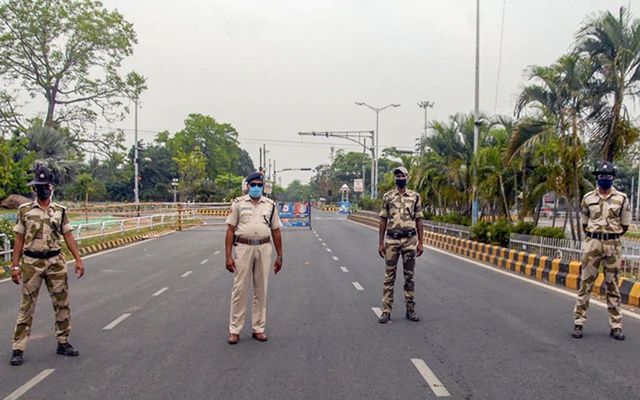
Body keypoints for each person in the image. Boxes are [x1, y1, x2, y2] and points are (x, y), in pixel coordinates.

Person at [9, 165, 85, 366]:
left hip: (55, 262)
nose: (41, 190)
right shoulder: (25, 211)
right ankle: (18, 348)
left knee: (62, 303)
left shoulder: (60, 211)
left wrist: (77, 259)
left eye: (44, 186)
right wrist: (15, 266)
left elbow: (67, 235)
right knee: (27, 306)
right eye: (38, 186)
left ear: (50, 187)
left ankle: (63, 341)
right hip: (31, 262)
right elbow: (18, 238)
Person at [572, 161, 630, 340]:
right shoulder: (588, 198)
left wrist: (611, 236)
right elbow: (584, 222)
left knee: (612, 285)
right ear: (597, 178)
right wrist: (595, 236)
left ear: (613, 178)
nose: (605, 179)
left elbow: (625, 225)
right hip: (593, 243)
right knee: (586, 283)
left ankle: (616, 325)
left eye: (608, 176)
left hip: (612, 245)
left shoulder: (622, 198)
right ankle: (578, 322)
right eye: (601, 176)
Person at [225, 171, 283, 344]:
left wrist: (280, 256)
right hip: (243, 247)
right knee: (239, 289)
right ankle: (235, 330)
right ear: (247, 186)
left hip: (264, 247)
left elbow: (276, 231)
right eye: (253, 185)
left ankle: (258, 328)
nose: (256, 187)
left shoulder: (270, 205)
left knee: (261, 289)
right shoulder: (238, 203)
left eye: (259, 185)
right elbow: (230, 230)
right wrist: (228, 256)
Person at [378, 166, 424, 323]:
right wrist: (381, 243)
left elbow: (419, 219)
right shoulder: (387, 197)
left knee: (409, 277)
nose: (400, 178)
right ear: (395, 179)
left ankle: (410, 309)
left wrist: (421, 243)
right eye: (397, 176)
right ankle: (386, 310)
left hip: (410, 241)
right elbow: (383, 220)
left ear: (407, 177)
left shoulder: (415, 197)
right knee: (389, 276)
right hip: (392, 240)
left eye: (402, 175)